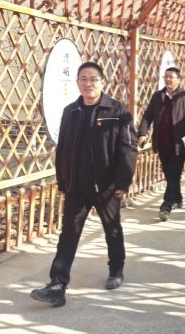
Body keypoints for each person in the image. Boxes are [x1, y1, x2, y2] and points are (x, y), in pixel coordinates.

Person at [31, 61, 138, 307]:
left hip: (106, 186)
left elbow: (128, 148)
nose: (88, 84)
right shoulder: (71, 111)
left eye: (93, 79)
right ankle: (57, 284)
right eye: (83, 79)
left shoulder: (117, 111)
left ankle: (116, 269)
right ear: (77, 82)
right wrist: (63, 181)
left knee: (112, 228)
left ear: (102, 82)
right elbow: (63, 149)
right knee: (68, 233)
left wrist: (123, 182)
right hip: (76, 187)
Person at [138, 67, 185, 221]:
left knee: (173, 173)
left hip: (179, 145)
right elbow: (148, 116)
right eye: (166, 76)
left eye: (171, 77)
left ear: (179, 79)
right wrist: (143, 133)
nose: (168, 79)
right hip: (162, 143)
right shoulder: (158, 96)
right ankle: (177, 198)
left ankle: (166, 205)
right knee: (169, 173)